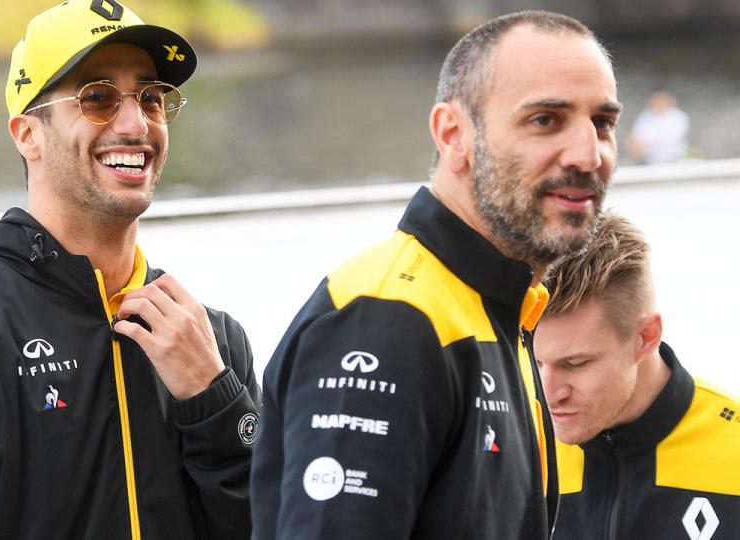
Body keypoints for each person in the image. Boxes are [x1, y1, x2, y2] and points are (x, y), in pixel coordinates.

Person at [0, 1, 260, 538]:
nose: (135, 122)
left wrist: (217, 405)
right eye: (97, 98)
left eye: (151, 97)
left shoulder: (212, 343)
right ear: (27, 133)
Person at [251, 10, 622, 539]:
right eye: (545, 119)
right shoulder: (387, 320)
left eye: (602, 123)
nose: (590, 155)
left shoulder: (495, 306)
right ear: (454, 135)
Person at [534, 212, 740, 540]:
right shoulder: (516, 451)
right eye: (536, 363)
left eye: (575, 363)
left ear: (645, 337)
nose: (548, 394)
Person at [625, 90, 689, 164]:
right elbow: (637, 134)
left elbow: (672, 138)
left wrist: (647, 143)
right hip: (646, 158)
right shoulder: (645, 115)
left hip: (671, 158)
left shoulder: (678, 116)